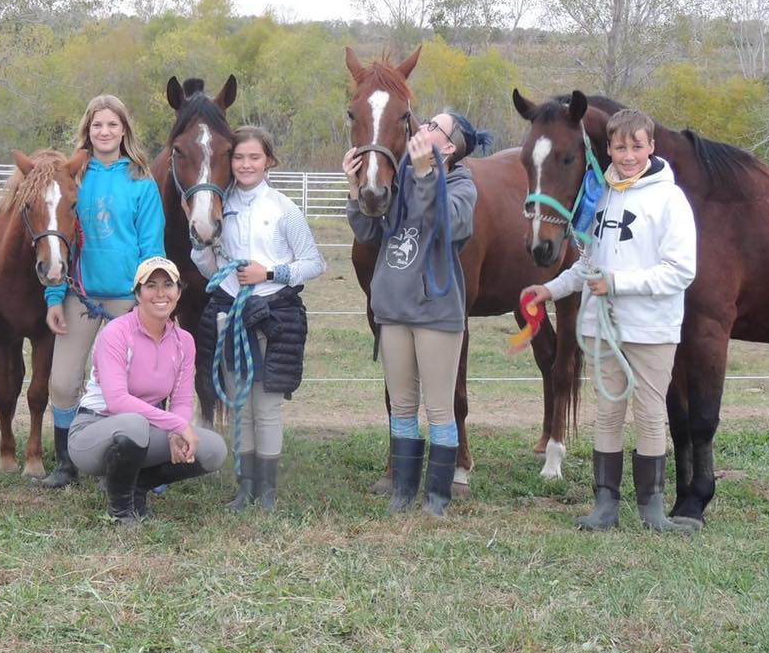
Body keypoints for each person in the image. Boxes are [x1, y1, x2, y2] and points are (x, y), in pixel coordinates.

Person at [522, 108, 697, 533]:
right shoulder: (600, 197)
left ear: (651, 147)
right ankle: (606, 505)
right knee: (608, 413)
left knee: (651, 413)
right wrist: (551, 289)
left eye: (637, 146)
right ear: (610, 149)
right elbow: (588, 265)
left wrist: (617, 283)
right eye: (620, 147)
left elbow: (681, 270)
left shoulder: (670, 200)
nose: (628, 155)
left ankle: (652, 509)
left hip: (649, 328)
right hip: (603, 328)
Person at [344, 110, 483, 517]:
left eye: (433, 127)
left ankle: (437, 497)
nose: (422, 128)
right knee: (403, 406)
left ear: (450, 147)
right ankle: (403, 491)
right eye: (424, 123)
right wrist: (356, 191)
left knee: (439, 408)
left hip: (436, 312)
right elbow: (369, 232)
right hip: (393, 309)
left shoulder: (461, 184)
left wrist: (425, 177)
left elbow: (449, 226)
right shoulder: (397, 179)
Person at [191, 126, 325, 510]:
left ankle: (267, 491)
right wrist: (200, 245)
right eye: (238, 157)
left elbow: (313, 263)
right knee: (238, 404)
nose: (246, 164)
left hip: (272, 314)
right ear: (229, 162)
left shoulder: (284, 209)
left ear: (268, 161)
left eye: (254, 157)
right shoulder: (221, 205)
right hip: (231, 312)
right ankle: (245, 486)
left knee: (265, 407)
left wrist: (269, 274)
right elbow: (208, 265)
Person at [40, 94, 165, 489]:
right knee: (62, 382)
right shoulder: (73, 177)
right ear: (87, 130)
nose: (105, 131)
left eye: (112, 124)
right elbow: (59, 244)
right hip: (82, 295)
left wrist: (152, 304)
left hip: (129, 300)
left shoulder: (141, 183)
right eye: (97, 125)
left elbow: (152, 247)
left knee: (133, 386)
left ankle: (142, 462)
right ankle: (66, 462)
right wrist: (55, 298)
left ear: (124, 129)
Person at [68, 257, 227, 525]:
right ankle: (120, 512)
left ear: (179, 292)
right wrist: (175, 424)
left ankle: (137, 486)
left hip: (144, 428)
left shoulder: (184, 341)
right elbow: (117, 401)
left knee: (213, 449)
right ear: (138, 294)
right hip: (92, 431)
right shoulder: (116, 333)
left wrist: (178, 429)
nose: (160, 293)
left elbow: (181, 399)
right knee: (134, 424)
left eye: (168, 285)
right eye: (150, 285)